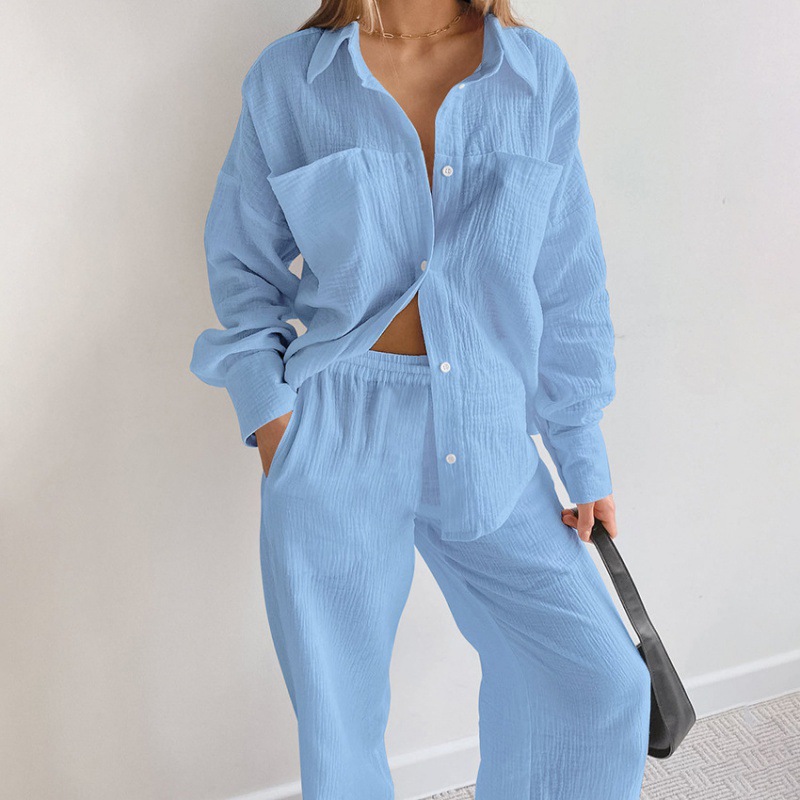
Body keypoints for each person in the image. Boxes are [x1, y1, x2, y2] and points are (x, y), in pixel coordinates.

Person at [189, 1, 652, 798]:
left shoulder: (535, 75)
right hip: (334, 430)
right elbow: (242, 265)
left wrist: (580, 450)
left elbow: (569, 279)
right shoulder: (291, 80)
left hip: (489, 426)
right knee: (340, 727)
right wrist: (274, 422)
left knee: (600, 683)